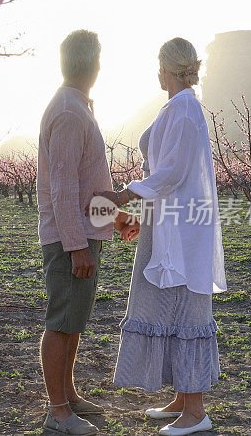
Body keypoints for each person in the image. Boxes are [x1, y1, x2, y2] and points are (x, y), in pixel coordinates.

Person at [94, 37, 228, 436]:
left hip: (182, 230)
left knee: (186, 308)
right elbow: (166, 172)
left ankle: (196, 412)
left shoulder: (185, 108)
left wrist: (126, 194)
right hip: (167, 222)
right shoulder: (176, 106)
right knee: (168, 305)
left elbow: (172, 172)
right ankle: (182, 398)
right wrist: (139, 207)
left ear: (167, 70)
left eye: (158, 66)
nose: (157, 73)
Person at [37, 29, 139, 435]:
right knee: (62, 321)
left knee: (74, 319)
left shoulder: (77, 106)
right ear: (95, 66)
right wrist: (77, 247)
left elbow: (85, 184)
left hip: (82, 233)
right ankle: (58, 412)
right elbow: (62, 189)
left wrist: (117, 219)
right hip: (70, 240)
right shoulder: (67, 111)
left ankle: (69, 395)